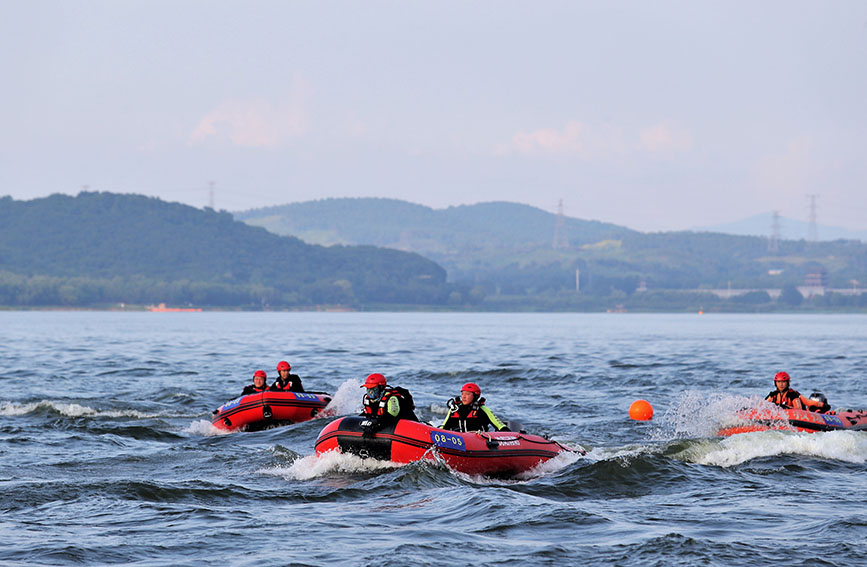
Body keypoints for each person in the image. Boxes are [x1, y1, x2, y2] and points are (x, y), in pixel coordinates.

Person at [359, 373, 417, 438]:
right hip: (385, 423)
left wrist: (374, 426)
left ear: (381, 387)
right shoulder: (367, 399)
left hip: (407, 425)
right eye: (368, 388)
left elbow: (391, 416)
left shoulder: (392, 399)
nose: (370, 392)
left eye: (373, 389)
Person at [441, 382, 509, 433]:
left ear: (475, 396)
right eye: (462, 394)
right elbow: (443, 427)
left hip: (478, 441)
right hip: (457, 440)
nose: (463, 397)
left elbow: (500, 426)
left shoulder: (483, 410)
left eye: (467, 394)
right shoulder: (454, 409)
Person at [765, 371, 829, 412]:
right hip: (779, 417)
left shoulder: (792, 394)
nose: (781, 384)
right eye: (778, 382)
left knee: (812, 407)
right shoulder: (773, 395)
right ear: (775, 383)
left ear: (787, 383)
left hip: (796, 417)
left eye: (783, 382)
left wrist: (785, 407)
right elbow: (763, 405)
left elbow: (799, 410)